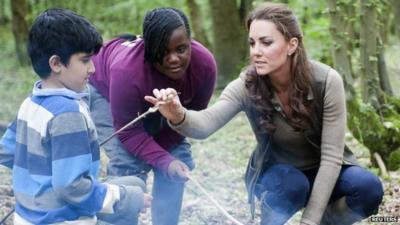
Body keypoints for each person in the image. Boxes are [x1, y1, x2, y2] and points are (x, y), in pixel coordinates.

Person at [145, 3, 384, 225]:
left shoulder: (326, 80)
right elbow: (205, 124)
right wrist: (177, 113)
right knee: (293, 184)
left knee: (368, 188)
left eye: (266, 43)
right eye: (252, 43)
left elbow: (332, 158)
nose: (256, 52)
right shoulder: (247, 84)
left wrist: (310, 221)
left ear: (292, 45)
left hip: (327, 170)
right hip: (280, 176)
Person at [0, 8, 151, 225]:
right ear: (56, 64)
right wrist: (127, 199)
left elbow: (6, 152)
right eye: (85, 60)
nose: (92, 69)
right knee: (131, 195)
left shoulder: (30, 103)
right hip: (62, 220)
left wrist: (40, 182)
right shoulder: (68, 114)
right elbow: (71, 187)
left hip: (27, 217)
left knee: (133, 184)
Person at [86, 7, 217, 225]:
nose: (174, 59)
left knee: (177, 160)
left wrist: (165, 160)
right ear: (148, 49)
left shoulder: (204, 65)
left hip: (156, 108)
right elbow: (128, 133)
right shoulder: (126, 71)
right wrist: (160, 158)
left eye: (182, 49)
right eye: (163, 52)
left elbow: (189, 121)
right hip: (105, 92)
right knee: (128, 163)